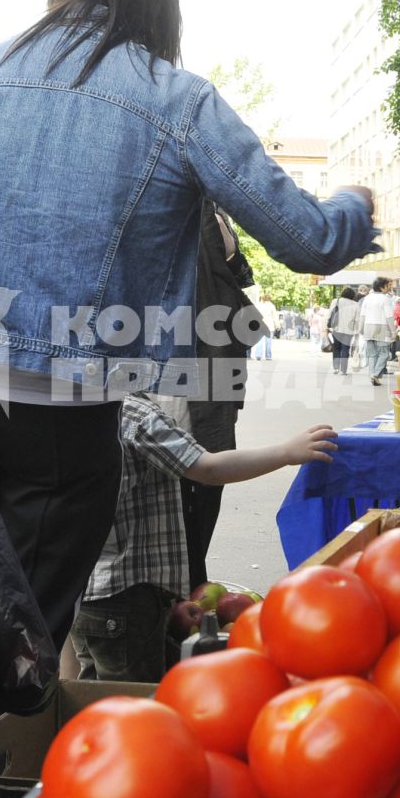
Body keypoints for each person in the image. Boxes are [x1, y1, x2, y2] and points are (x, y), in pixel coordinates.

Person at [0, 0, 377, 646]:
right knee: (25, 640)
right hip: (72, 419)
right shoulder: (179, 100)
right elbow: (307, 240)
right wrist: (355, 209)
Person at [71, 393, 338, 681]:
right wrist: (286, 453)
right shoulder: (136, 415)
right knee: (132, 700)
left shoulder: (72, 410)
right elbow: (208, 468)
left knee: (91, 693)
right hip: (130, 597)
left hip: (87, 592)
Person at [182, 202, 256, 591]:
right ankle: (187, 586)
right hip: (194, 364)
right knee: (196, 479)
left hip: (215, 365)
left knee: (206, 481)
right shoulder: (186, 207)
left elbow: (239, 271)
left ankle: (192, 584)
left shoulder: (212, 210)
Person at [360, 276, 399, 384]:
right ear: (382, 287)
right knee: (384, 354)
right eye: (388, 285)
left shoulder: (367, 298)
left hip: (368, 328)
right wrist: (393, 331)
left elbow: (362, 315)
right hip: (381, 328)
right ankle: (376, 374)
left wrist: (360, 329)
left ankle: (373, 376)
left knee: (372, 354)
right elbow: (389, 317)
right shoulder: (385, 299)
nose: (390, 287)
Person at [328, 286, 362, 373]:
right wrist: (357, 333)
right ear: (353, 295)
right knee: (345, 348)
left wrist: (327, 326)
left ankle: (336, 368)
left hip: (336, 328)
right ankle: (343, 369)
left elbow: (329, 314)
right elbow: (357, 320)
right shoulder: (355, 305)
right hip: (349, 331)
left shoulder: (336, 301)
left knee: (336, 348)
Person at [254, 291, 279, 360]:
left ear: (262, 298)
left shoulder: (258, 305)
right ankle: (268, 356)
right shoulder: (271, 306)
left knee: (259, 341)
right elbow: (275, 317)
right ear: (269, 299)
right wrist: (277, 325)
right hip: (269, 326)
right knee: (268, 342)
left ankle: (258, 355)